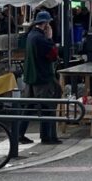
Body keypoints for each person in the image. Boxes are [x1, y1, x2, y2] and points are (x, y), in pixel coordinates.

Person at [19, 11, 61, 145]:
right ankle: (47, 136)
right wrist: (50, 38)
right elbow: (53, 55)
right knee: (48, 107)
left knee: (28, 107)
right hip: (42, 77)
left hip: (30, 77)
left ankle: (19, 133)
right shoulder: (41, 39)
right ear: (46, 24)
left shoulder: (31, 35)